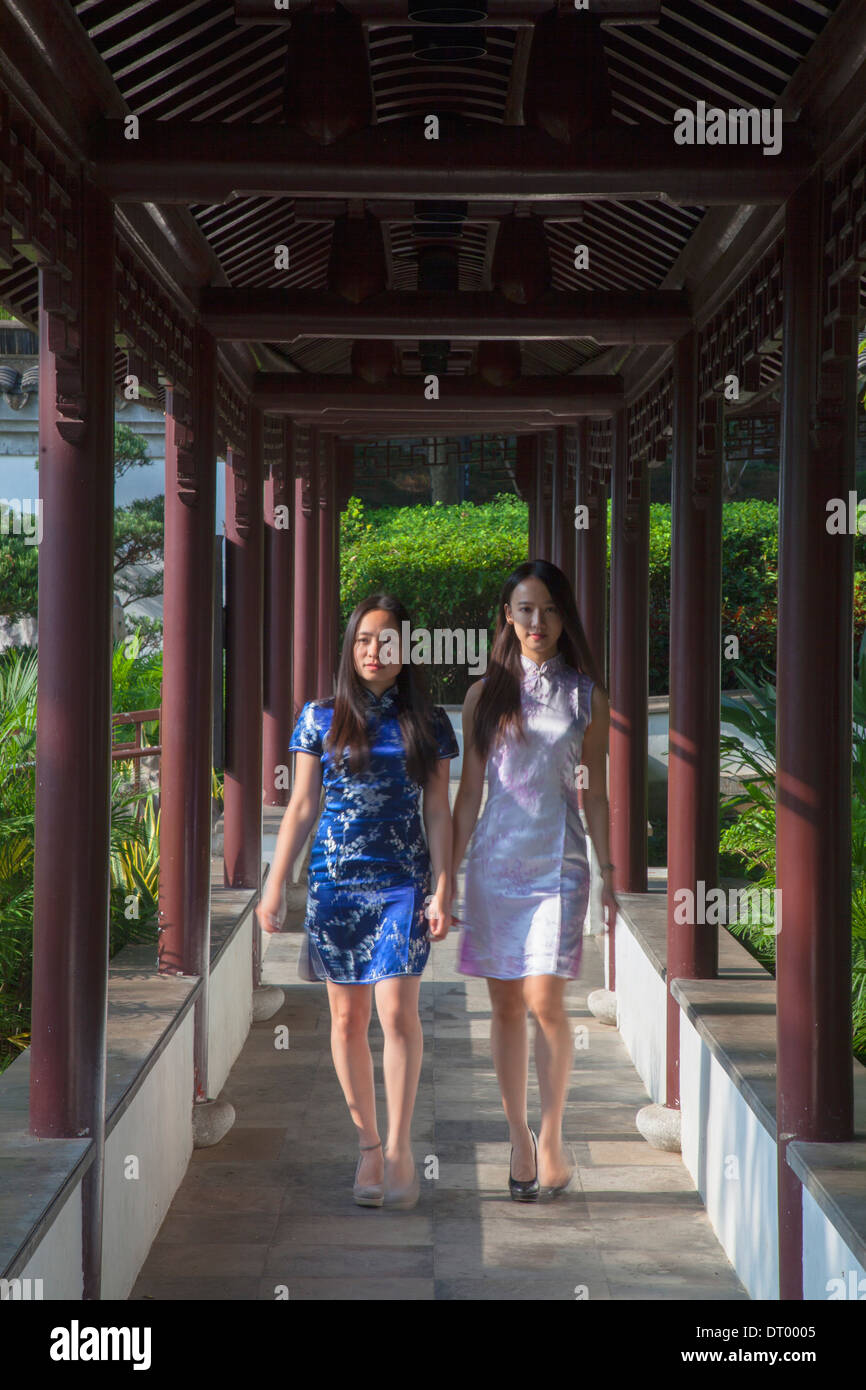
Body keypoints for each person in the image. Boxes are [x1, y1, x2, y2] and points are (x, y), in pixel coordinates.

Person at [256, 593, 458, 1210]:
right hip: (335, 886)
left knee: (398, 1015)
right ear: (351, 647)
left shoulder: (428, 722)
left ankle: (400, 1147)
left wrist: (445, 884)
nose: (375, 651)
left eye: (388, 640)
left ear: (406, 651)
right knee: (348, 1021)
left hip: (403, 883)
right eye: (365, 639)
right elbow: (302, 806)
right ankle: (368, 1145)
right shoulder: (318, 717)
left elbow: (437, 809)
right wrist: (274, 883)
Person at [451, 559, 617, 1201]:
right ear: (507, 617)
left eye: (547, 609)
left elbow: (595, 795)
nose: (537, 621)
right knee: (503, 1007)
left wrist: (608, 870)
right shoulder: (483, 695)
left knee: (546, 1002)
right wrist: (447, 875)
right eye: (524, 609)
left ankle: (551, 1136)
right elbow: (468, 795)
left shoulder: (586, 696)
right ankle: (518, 1136)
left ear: (562, 615)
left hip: (559, 863)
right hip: (494, 863)